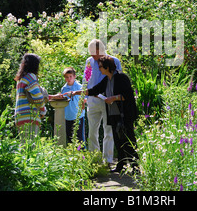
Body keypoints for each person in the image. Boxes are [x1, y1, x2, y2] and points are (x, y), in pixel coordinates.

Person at [72, 55, 138, 173]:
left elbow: (128, 96)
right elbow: (94, 90)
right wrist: (77, 92)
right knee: (118, 141)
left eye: (101, 67)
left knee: (128, 140)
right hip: (113, 115)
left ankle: (135, 167)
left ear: (107, 67)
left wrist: (113, 98)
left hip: (124, 115)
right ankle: (120, 165)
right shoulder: (106, 79)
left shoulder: (121, 77)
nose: (99, 69)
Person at [84, 39, 121, 167]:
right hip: (92, 100)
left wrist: (115, 98)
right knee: (92, 131)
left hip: (107, 100)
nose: (92, 56)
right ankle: (95, 158)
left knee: (108, 130)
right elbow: (86, 79)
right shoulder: (89, 61)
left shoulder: (114, 61)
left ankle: (108, 160)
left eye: (94, 53)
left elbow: (118, 80)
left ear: (100, 50)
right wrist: (85, 97)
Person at [14, 53, 48, 144]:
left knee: (24, 146)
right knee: (31, 147)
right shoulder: (31, 77)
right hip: (29, 116)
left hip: (20, 115)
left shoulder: (20, 78)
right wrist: (43, 110)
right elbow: (38, 98)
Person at [59, 67, 85, 144]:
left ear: (74, 76)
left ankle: (82, 155)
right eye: (67, 77)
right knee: (70, 138)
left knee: (79, 139)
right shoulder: (64, 88)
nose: (69, 79)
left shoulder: (79, 87)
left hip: (78, 116)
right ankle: (72, 154)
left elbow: (83, 100)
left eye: (70, 76)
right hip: (67, 116)